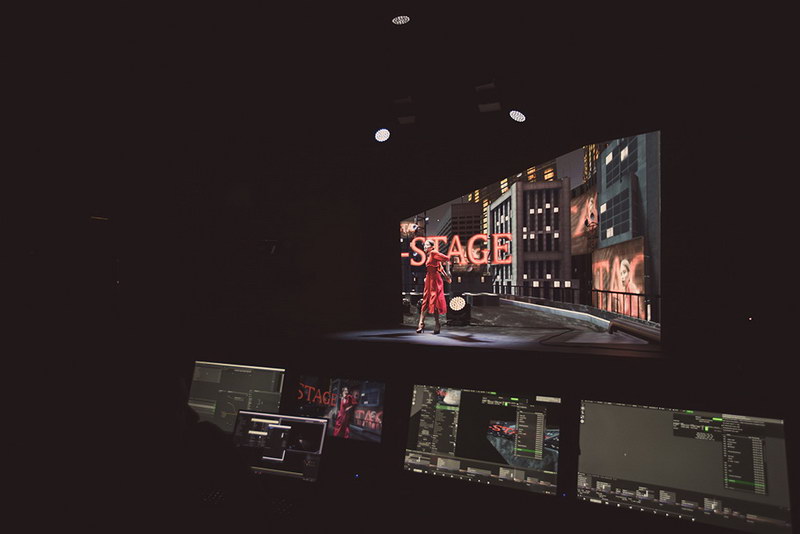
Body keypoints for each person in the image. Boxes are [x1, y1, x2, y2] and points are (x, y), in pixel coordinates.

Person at [417, 239, 451, 334]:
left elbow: (447, 258)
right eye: (425, 244)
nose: (425, 246)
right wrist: (446, 276)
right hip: (429, 279)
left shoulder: (433, 253)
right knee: (425, 300)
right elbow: (440, 267)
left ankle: (437, 324)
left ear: (432, 247)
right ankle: (421, 323)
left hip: (435, 280)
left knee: (434, 301)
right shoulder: (430, 255)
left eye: (427, 245)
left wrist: (448, 274)